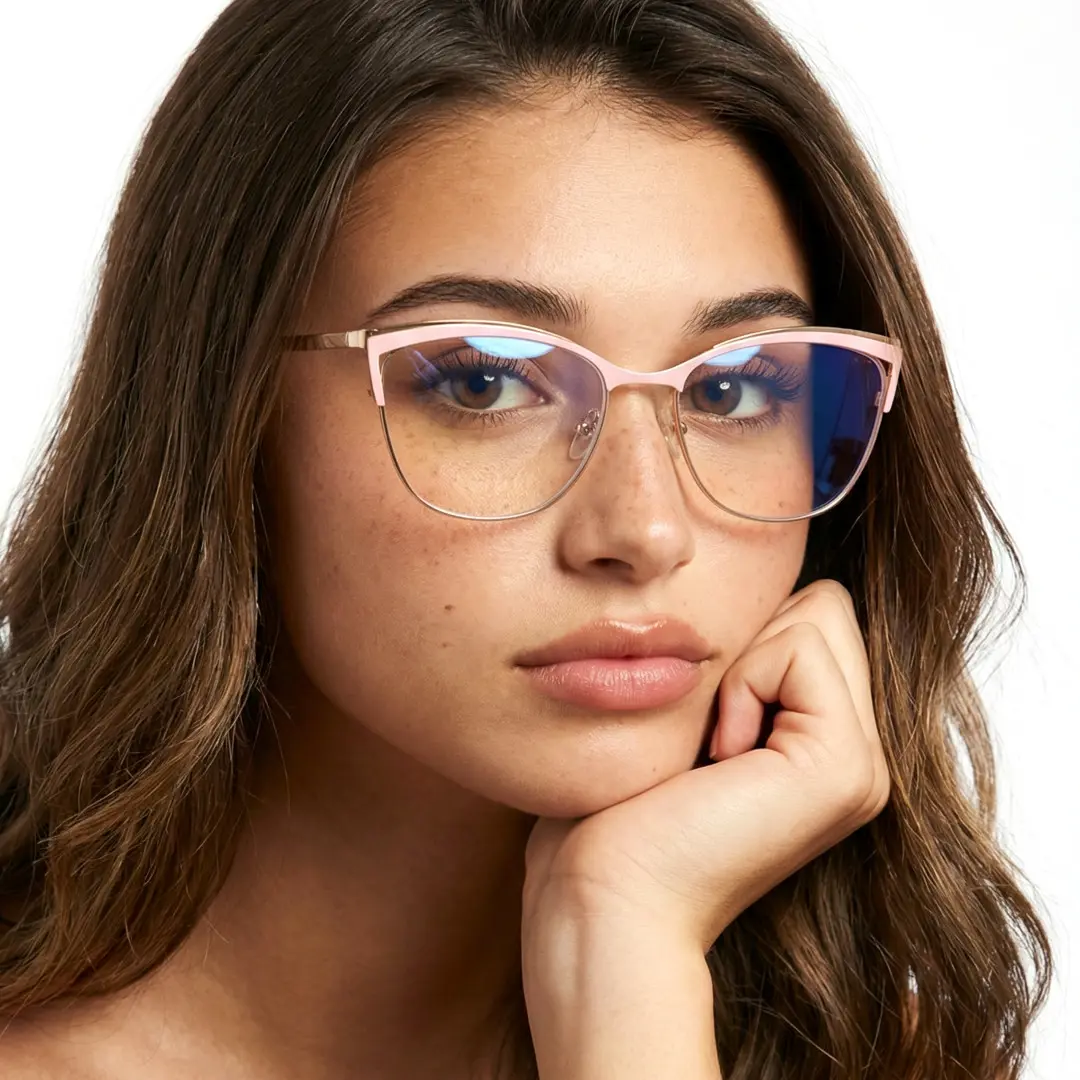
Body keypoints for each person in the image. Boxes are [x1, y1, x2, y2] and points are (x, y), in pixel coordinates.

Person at [0, 1, 1053, 1077]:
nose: (643, 529)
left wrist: (625, 964)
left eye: (735, 387)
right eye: (484, 378)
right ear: (219, 408)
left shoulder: (887, 1056)